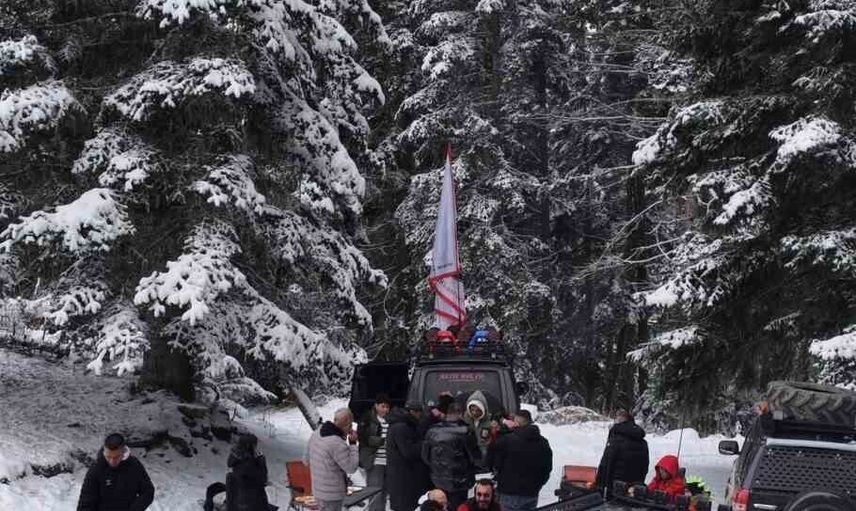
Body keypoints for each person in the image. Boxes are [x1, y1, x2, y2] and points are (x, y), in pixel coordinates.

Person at [485, 410, 551, 511]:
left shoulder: (507, 441)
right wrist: (537, 485)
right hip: (531, 494)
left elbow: (491, 462)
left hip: (508, 492)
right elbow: (547, 469)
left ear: (516, 423)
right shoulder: (543, 443)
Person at [77, 433, 155, 511]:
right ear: (105, 452)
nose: (112, 461)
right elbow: (86, 501)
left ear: (123, 452)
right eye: (108, 457)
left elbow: (148, 491)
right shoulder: (97, 468)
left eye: (116, 457)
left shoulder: (134, 466)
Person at [422, 403, 476, 511]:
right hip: (460, 481)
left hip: (438, 480)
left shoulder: (432, 430)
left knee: (439, 507)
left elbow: (425, 456)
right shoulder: (466, 431)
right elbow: (473, 457)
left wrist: (437, 469)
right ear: (460, 414)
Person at [306, 408, 360, 511]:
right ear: (348, 425)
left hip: (318, 490)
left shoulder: (316, 433)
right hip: (332, 495)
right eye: (350, 425)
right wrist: (353, 444)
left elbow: (306, 459)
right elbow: (351, 467)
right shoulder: (337, 443)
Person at [595, 410, 649, 498]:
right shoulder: (642, 442)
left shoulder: (616, 439)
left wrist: (600, 486)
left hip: (615, 487)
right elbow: (645, 465)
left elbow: (606, 464)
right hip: (634, 489)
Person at [388, 401, 431, 511]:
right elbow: (408, 451)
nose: (420, 415)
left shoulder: (404, 425)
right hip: (404, 479)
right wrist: (424, 445)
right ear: (412, 412)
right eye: (419, 412)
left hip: (404, 477)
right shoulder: (402, 427)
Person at [359, 394, 392, 511]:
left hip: (388, 461)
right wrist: (381, 441)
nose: (385, 410)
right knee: (375, 493)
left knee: (384, 493)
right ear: (376, 406)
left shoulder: (391, 420)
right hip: (374, 460)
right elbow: (363, 437)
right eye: (383, 406)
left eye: (387, 407)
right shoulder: (367, 418)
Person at [226, 433, 273, 511]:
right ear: (249, 446)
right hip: (251, 503)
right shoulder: (250, 462)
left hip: (237, 503)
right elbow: (262, 479)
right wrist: (261, 461)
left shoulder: (236, 459)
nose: (256, 448)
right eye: (255, 445)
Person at [463, 391, 491, 461]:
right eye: (472, 410)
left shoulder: (490, 421)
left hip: (484, 456)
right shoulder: (464, 420)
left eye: (478, 410)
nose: (474, 413)